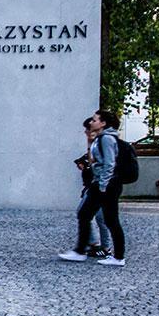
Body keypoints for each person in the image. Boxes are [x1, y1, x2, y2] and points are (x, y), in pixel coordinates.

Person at [59, 109, 126, 266]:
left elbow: (109, 164)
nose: (91, 122)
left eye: (94, 120)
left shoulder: (107, 139)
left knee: (109, 220)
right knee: (86, 215)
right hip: (102, 183)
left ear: (103, 123)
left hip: (106, 184)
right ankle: (81, 251)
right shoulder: (101, 138)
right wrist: (90, 143)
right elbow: (94, 161)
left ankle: (116, 256)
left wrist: (102, 186)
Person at [74, 118, 112, 257]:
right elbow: (90, 161)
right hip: (92, 187)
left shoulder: (104, 142)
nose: (85, 132)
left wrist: (103, 186)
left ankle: (104, 247)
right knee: (86, 214)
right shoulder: (96, 144)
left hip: (100, 186)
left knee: (100, 217)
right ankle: (96, 244)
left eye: (87, 129)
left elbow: (104, 164)